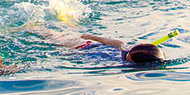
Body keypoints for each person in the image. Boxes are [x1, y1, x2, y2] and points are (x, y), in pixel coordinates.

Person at [28, 27, 167, 67]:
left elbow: (105, 39)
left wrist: (89, 36)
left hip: (88, 44)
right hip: (79, 47)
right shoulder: (118, 63)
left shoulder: (123, 46)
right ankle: (31, 26)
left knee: (58, 34)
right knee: (49, 35)